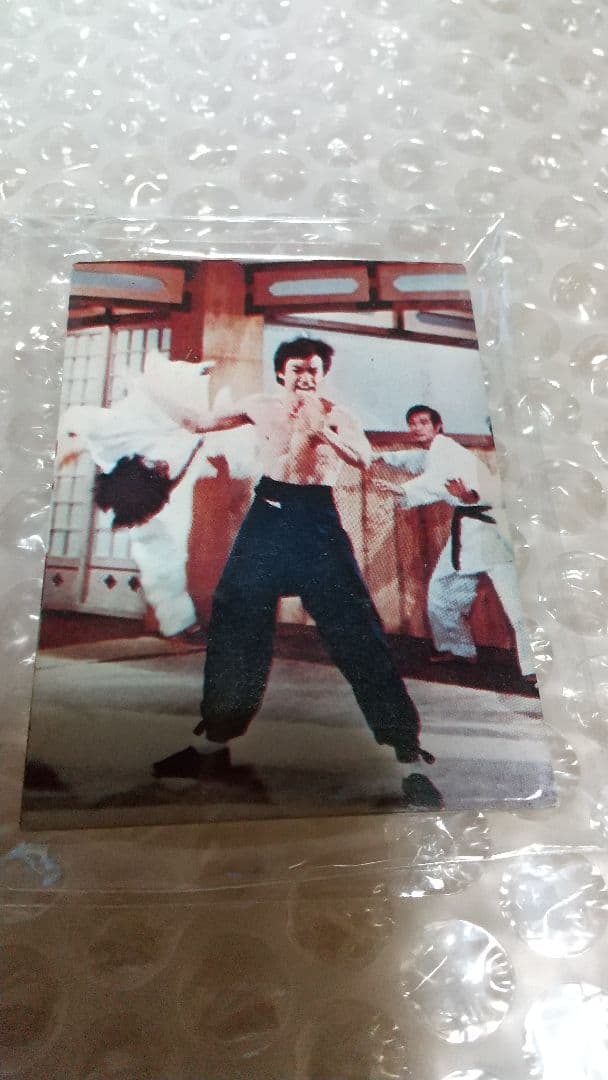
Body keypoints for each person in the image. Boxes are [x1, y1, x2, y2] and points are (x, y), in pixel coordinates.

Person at [153, 338, 441, 808]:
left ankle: (408, 759)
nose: (306, 377)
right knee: (235, 618)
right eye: (297, 369)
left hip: (316, 521)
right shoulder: (259, 406)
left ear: (322, 375)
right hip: (267, 516)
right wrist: (147, 390)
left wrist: (323, 431)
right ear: (281, 373)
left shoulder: (337, 414)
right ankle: (212, 744)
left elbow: (363, 459)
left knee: (358, 632)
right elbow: (198, 423)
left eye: (313, 370)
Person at [55, 353, 256, 642]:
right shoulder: (154, 497)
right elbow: (157, 555)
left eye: (152, 466)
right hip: (195, 429)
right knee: (158, 549)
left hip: (160, 395)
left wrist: (67, 448)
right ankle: (181, 622)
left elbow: (77, 419)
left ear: (132, 462)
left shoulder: (112, 441)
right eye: (159, 473)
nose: (160, 466)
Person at [376, 405, 536, 681]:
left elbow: (440, 481)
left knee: (516, 603)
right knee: (442, 591)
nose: (417, 428)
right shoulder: (438, 452)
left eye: (423, 422)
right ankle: (458, 649)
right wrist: (378, 457)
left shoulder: (447, 451)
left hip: (491, 533)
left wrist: (403, 490)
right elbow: (416, 460)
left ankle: (536, 668)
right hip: (468, 531)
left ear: (438, 426)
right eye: (412, 423)